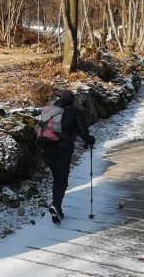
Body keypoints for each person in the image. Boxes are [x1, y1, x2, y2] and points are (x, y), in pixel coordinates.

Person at [41, 89, 95, 225]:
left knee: (56, 180)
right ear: (71, 100)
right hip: (63, 151)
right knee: (61, 180)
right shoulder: (73, 112)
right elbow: (82, 130)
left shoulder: (50, 111)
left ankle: (57, 207)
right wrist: (89, 140)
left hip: (48, 150)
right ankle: (56, 206)